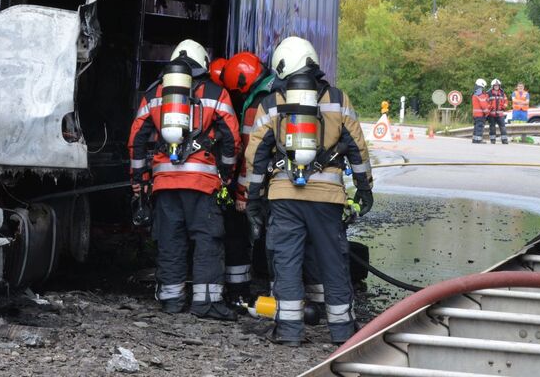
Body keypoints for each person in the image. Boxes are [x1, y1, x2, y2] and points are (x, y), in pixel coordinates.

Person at [243, 36, 373, 346]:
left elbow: (256, 155)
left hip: (284, 197)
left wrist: (253, 198)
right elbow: (357, 147)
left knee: (286, 261)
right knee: (334, 261)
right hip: (328, 198)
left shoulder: (270, 103)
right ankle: (342, 331)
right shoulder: (338, 100)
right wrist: (364, 188)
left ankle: (289, 331)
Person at [129, 39, 241, 319]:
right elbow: (231, 138)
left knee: (170, 239)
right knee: (207, 240)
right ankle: (206, 303)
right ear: (203, 63)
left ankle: (171, 299)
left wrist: (140, 181)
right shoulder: (216, 93)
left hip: (164, 183)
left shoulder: (154, 94)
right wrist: (226, 175)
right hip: (203, 183)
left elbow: (137, 140)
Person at [209, 51, 273, 305]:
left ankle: (239, 292)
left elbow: (249, 153)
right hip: (279, 181)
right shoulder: (276, 92)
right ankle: (281, 295)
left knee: (237, 230)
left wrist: (242, 194)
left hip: (254, 182)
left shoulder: (255, 104)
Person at [486, 78, 509, 144]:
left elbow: (506, 101)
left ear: (499, 86)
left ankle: (504, 140)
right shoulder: (488, 93)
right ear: (492, 86)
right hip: (491, 114)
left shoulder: (502, 93)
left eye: (498, 85)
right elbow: (486, 102)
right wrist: (490, 107)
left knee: (503, 127)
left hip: (500, 114)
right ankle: (493, 140)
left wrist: (503, 106)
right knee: (492, 127)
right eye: (495, 85)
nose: (496, 86)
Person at [470, 78, 488, 144]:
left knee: (476, 127)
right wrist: (487, 113)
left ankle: (475, 139)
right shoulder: (480, 95)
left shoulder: (474, 94)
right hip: (480, 115)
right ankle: (479, 140)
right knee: (480, 127)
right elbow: (484, 106)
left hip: (475, 114)